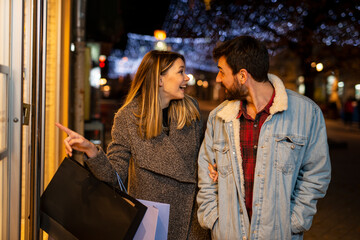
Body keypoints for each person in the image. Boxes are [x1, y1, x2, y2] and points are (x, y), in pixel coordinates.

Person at [57, 50, 210, 239]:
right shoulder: (128, 118)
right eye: (180, 72)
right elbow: (115, 177)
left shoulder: (190, 110)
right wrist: (91, 151)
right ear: (159, 79)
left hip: (192, 227)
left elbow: (203, 158)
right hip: (152, 227)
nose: (186, 78)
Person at [196, 36, 331, 240]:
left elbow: (316, 174)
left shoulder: (307, 113)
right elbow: (206, 173)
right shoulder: (218, 118)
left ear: (242, 75)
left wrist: (295, 222)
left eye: (221, 71)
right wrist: (214, 220)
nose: (217, 78)